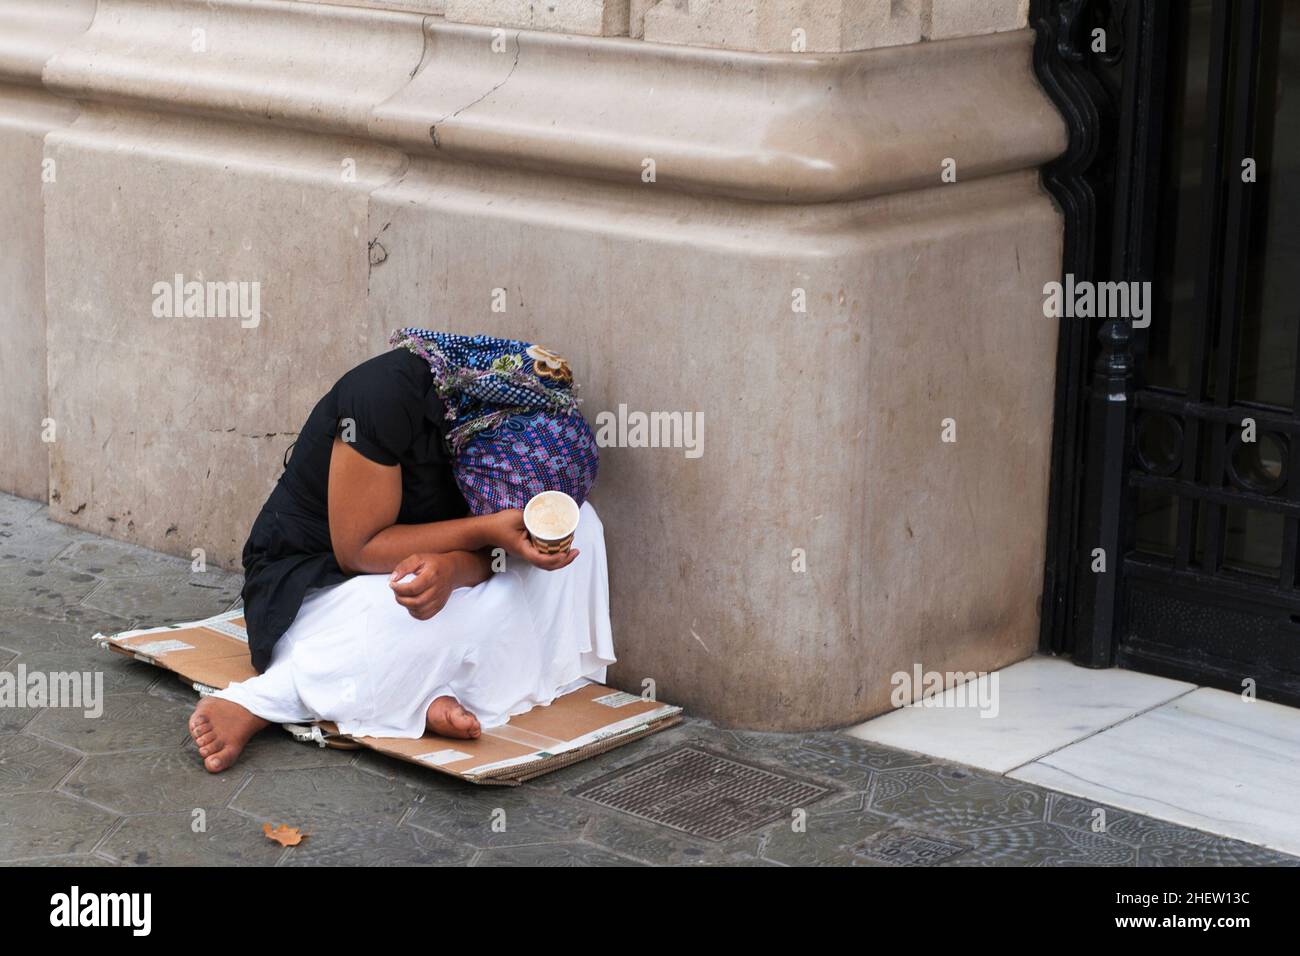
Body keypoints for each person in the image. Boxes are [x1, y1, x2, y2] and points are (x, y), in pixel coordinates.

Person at [186, 335, 611, 773]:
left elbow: (488, 555)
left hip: (433, 566)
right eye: (505, 505)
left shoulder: (501, 429)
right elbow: (358, 551)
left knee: (585, 529)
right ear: (483, 454)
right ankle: (265, 701)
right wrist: (485, 528)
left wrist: (451, 568)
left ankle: (413, 695)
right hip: (321, 579)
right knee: (389, 613)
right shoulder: (380, 397)